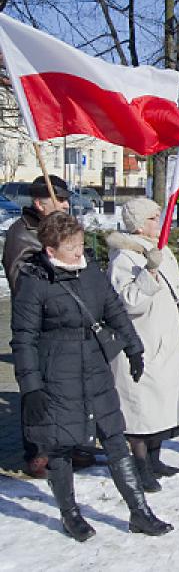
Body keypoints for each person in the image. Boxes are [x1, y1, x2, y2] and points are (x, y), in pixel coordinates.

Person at [11, 211, 172, 541]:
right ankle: (71, 514)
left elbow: (114, 309)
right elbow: (23, 338)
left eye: (81, 244)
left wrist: (134, 347)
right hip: (57, 374)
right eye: (71, 247)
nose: (78, 252)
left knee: (115, 438)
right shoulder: (34, 280)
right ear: (51, 250)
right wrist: (31, 387)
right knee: (60, 446)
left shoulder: (91, 272)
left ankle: (139, 512)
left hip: (96, 368)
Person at [106, 197, 179, 491]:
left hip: (167, 340)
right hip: (142, 342)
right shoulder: (124, 257)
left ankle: (155, 459)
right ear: (138, 224)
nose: (159, 223)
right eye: (152, 218)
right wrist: (148, 273)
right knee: (141, 409)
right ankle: (140, 466)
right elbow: (127, 302)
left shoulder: (160, 250)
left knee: (162, 405)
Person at [2, 175, 76, 478]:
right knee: (38, 388)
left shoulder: (63, 230)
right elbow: (22, 281)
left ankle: (68, 445)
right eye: (59, 200)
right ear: (39, 204)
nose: (65, 205)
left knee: (66, 387)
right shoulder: (23, 233)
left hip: (65, 323)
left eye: (66, 200)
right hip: (38, 325)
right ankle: (38, 453)